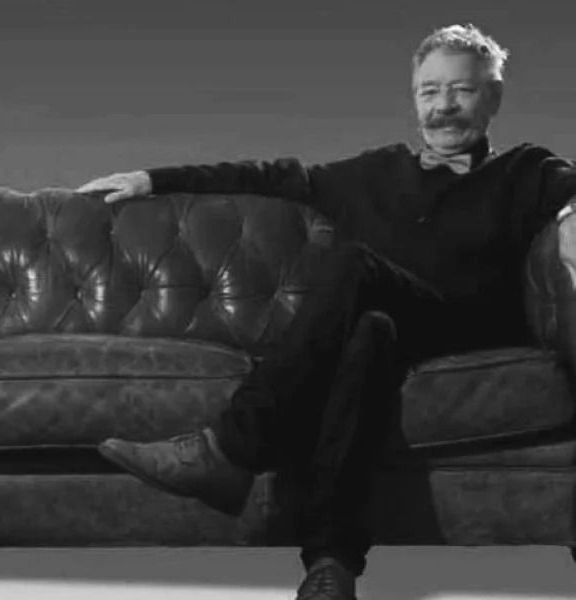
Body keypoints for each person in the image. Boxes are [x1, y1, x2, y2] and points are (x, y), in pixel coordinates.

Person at [76, 23, 576, 600]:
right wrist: (152, 178)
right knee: (368, 332)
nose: (443, 106)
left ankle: (229, 449)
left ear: (493, 97)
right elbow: (269, 175)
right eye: (429, 91)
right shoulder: (372, 172)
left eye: (461, 90)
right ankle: (331, 566)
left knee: (355, 266)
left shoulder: (527, 170)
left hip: (472, 328)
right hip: (392, 331)